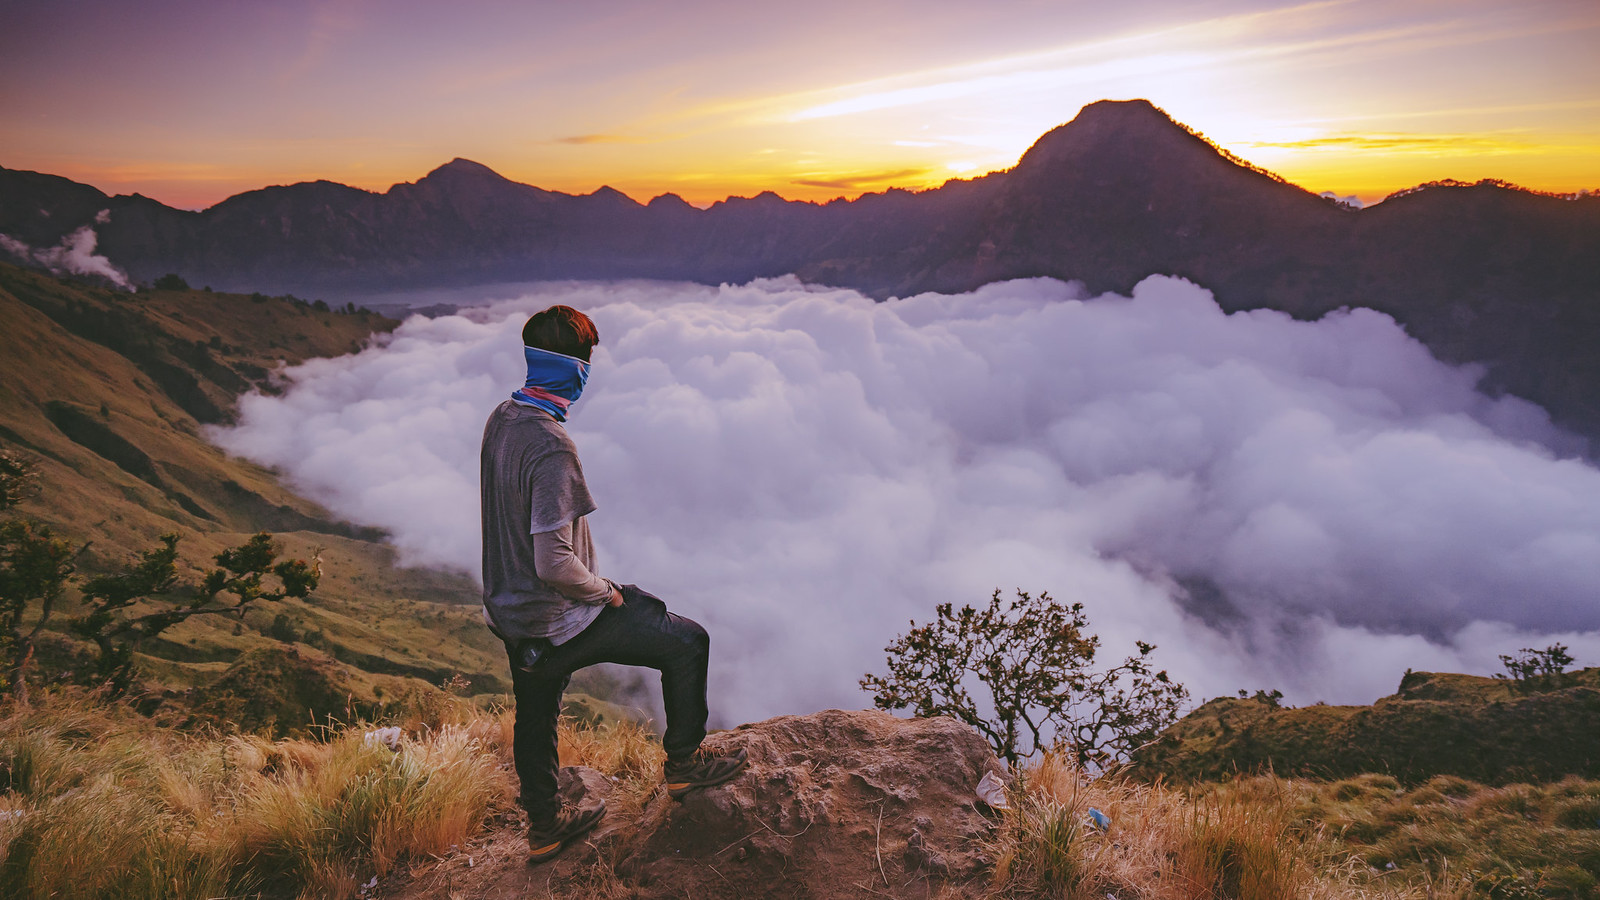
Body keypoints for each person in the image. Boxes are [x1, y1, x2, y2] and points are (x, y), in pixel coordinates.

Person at [480, 304, 748, 863]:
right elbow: (554, 563)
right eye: (587, 358)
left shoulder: (503, 418)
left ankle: (547, 827)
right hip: (559, 615)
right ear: (574, 365)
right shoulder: (552, 445)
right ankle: (683, 765)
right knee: (686, 640)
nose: (589, 370)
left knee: (536, 713)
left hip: (512, 614)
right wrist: (606, 591)